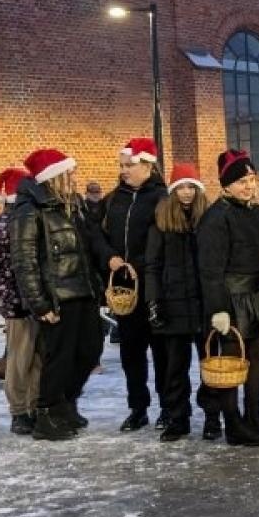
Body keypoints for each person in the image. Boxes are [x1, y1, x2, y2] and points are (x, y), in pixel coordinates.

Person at [11, 148, 102, 441]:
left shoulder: (73, 205)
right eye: (68, 173)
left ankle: (66, 402)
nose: (73, 177)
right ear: (54, 177)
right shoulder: (29, 211)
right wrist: (39, 303)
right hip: (57, 295)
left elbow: (87, 247)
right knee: (59, 358)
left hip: (83, 290)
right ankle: (47, 413)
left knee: (90, 351)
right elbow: (24, 261)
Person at [196, 150, 259, 447]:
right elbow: (210, 269)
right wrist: (219, 309)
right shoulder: (216, 218)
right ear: (227, 185)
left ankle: (254, 417)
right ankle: (233, 424)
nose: (249, 185)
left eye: (252, 179)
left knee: (255, 358)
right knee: (233, 362)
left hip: (257, 295)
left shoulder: (257, 213)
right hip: (232, 299)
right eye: (242, 181)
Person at [86, 138, 168, 433]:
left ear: (147, 166)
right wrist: (109, 257)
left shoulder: (162, 197)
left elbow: (168, 240)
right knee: (131, 350)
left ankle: (168, 408)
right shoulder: (113, 199)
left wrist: (143, 264)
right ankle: (138, 407)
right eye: (121, 166)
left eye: (129, 165)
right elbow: (95, 233)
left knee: (161, 350)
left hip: (154, 285)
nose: (123, 171)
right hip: (123, 288)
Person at [144, 164, 211, 442]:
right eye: (181, 187)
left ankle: (213, 417)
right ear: (173, 191)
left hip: (203, 302)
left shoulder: (208, 220)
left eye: (191, 187)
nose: (186, 193)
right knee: (174, 367)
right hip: (172, 304)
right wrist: (153, 301)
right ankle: (177, 417)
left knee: (211, 365)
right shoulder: (161, 223)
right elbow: (152, 266)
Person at [0, 167, 40, 434]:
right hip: (18, 304)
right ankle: (19, 410)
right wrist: (9, 295)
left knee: (37, 357)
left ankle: (35, 405)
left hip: (37, 301)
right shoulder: (3, 225)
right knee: (19, 357)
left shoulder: (31, 219)